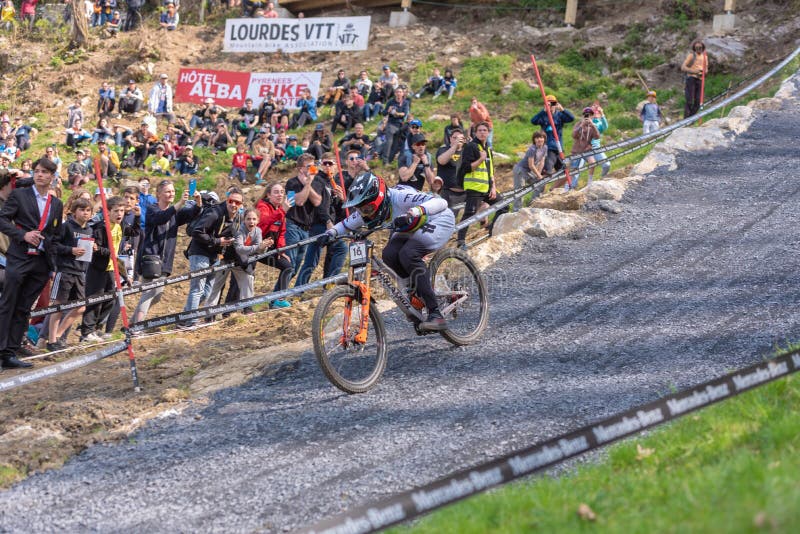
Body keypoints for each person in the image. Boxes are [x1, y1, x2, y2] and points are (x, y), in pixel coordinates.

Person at [319, 172, 455, 331]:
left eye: (369, 208)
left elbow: (442, 202)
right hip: (411, 227)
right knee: (389, 254)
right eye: (361, 210)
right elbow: (345, 225)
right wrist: (329, 234)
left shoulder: (400, 197)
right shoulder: (367, 207)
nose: (366, 214)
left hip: (438, 218)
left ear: (380, 199)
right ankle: (415, 295)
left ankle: (435, 313)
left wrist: (415, 211)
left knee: (408, 254)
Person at [0, 158, 63, 368]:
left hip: (41, 263)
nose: (40, 175)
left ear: (52, 177)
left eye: (45, 172)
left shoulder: (57, 204)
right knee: (8, 304)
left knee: (24, 308)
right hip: (19, 257)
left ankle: (10, 353)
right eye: (37, 171)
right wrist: (23, 235)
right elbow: (2, 219)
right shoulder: (19, 195)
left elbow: (54, 235)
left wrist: (52, 266)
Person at [132, 180, 202, 323]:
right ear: (158, 194)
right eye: (168, 191)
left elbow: (191, 214)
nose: (171, 194)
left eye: (173, 191)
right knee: (149, 292)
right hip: (150, 258)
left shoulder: (175, 213)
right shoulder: (152, 209)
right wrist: (180, 203)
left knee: (157, 295)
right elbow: (162, 218)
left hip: (165, 261)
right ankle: (136, 326)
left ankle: (132, 324)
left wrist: (198, 203)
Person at [79, 196, 139, 342]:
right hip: (98, 268)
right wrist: (111, 253)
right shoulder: (101, 227)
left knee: (111, 299)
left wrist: (137, 217)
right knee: (95, 300)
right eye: (116, 211)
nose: (119, 214)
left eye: (122, 211)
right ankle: (86, 332)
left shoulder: (121, 225)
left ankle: (95, 327)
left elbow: (135, 232)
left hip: (112, 268)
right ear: (108, 212)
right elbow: (96, 249)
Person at [182, 187, 242, 324]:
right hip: (199, 252)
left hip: (214, 255)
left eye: (237, 203)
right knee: (197, 289)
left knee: (206, 292)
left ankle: (184, 317)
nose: (234, 205)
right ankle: (191, 322)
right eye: (231, 201)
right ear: (227, 200)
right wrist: (217, 241)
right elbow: (197, 232)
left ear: (241, 205)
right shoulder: (215, 213)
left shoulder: (236, 218)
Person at [46, 197, 93, 351]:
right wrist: (70, 250)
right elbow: (54, 245)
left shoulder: (89, 230)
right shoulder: (66, 227)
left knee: (80, 307)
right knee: (58, 306)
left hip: (80, 272)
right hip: (65, 270)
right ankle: (51, 340)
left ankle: (58, 335)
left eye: (88, 210)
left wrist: (94, 248)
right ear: (73, 212)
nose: (85, 213)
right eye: (81, 210)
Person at [455, 122, 508, 248]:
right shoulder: (471, 147)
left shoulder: (488, 149)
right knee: (469, 214)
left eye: (485, 130)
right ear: (475, 132)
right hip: (474, 188)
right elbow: (467, 168)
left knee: (504, 206)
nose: (482, 132)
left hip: (486, 188)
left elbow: (490, 171)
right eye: (480, 130)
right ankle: (460, 242)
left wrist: (493, 187)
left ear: (488, 133)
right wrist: (480, 159)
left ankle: (491, 231)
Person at [205, 208, 269, 308]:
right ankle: (209, 312)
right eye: (248, 219)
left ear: (258, 220)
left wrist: (264, 246)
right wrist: (258, 247)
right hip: (225, 258)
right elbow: (240, 248)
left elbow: (259, 250)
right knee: (217, 285)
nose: (251, 222)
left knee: (248, 280)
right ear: (244, 220)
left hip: (239, 261)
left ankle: (248, 308)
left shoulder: (258, 231)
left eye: (254, 219)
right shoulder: (239, 229)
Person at [283, 154, 322, 276]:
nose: (313, 169)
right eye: (309, 166)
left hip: (306, 229)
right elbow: (298, 202)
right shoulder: (291, 182)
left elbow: (317, 201)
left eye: (314, 165)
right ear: (301, 169)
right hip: (292, 225)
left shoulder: (316, 182)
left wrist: (308, 184)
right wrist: (307, 185)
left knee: (295, 269)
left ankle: (280, 294)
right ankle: (278, 295)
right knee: (290, 266)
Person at [255, 181, 293, 308]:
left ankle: (279, 299)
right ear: (268, 195)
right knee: (245, 278)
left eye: (282, 192)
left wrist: (281, 250)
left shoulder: (279, 209)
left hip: (271, 248)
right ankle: (237, 309)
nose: (279, 195)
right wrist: (282, 211)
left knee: (287, 267)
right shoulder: (262, 206)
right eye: (276, 192)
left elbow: (281, 232)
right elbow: (264, 222)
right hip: (256, 246)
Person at [530, 94, 574, 176]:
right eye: (548, 104)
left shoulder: (559, 115)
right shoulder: (543, 115)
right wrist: (543, 111)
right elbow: (533, 121)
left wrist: (563, 110)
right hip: (548, 147)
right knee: (548, 170)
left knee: (564, 173)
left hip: (559, 147)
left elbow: (571, 118)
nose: (551, 106)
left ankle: (553, 188)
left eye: (553, 104)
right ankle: (539, 183)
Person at [512, 130, 547, 210]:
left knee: (540, 184)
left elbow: (542, 162)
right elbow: (531, 165)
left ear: (544, 139)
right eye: (537, 138)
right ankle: (516, 211)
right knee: (520, 191)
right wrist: (538, 175)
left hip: (528, 171)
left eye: (541, 137)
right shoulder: (532, 149)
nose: (539, 139)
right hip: (520, 170)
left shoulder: (545, 148)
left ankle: (532, 206)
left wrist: (539, 175)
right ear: (534, 139)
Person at [436, 127, 467, 213]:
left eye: (459, 138)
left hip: (465, 192)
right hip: (448, 192)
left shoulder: (467, 151)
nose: (457, 140)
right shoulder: (443, 149)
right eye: (454, 138)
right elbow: (441, 161)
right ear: (450, 139)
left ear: (464, 140)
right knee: (448, 219)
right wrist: (454, 147)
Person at [569, 107, 600, 188]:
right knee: (574, 170)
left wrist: (593, 125)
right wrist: (581, 126)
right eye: (586, 115)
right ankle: (568, 186)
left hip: (587, 150)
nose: (587, 117)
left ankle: (589, 182)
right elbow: (574, 135)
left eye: (589, 115)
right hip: (577, 151)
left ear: (592, 116)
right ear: (582, 116)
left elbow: (597, 137)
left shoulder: (592, 126)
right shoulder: (578, 124)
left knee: (592, 163)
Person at [381, 86, 409, 165]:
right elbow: (384, 113)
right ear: (395, 93)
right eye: (397, 92)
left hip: (400, 126)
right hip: (391, 124)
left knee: (396, 144)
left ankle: (389, 161)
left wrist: (397, 114)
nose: (398, 94)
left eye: (400, 92)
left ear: (403, 93)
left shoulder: (405, 102)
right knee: (389, 143)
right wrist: (388, 110)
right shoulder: (391, 101)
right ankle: (385, 161)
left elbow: (405, 114)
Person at [682, 40, 707, 118]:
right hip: (691, 78)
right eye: (697, 47)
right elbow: (683, 67)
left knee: (698, 101)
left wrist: (703, 72)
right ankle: (686, 119)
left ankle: (690, 118)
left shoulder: (705, 57)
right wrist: (694, 71)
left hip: (700, 80)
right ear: (694, 48)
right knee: (689, 100)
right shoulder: (691, 56)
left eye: (700, 47)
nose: (698, 49)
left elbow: (706, 69)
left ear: (702, 48)